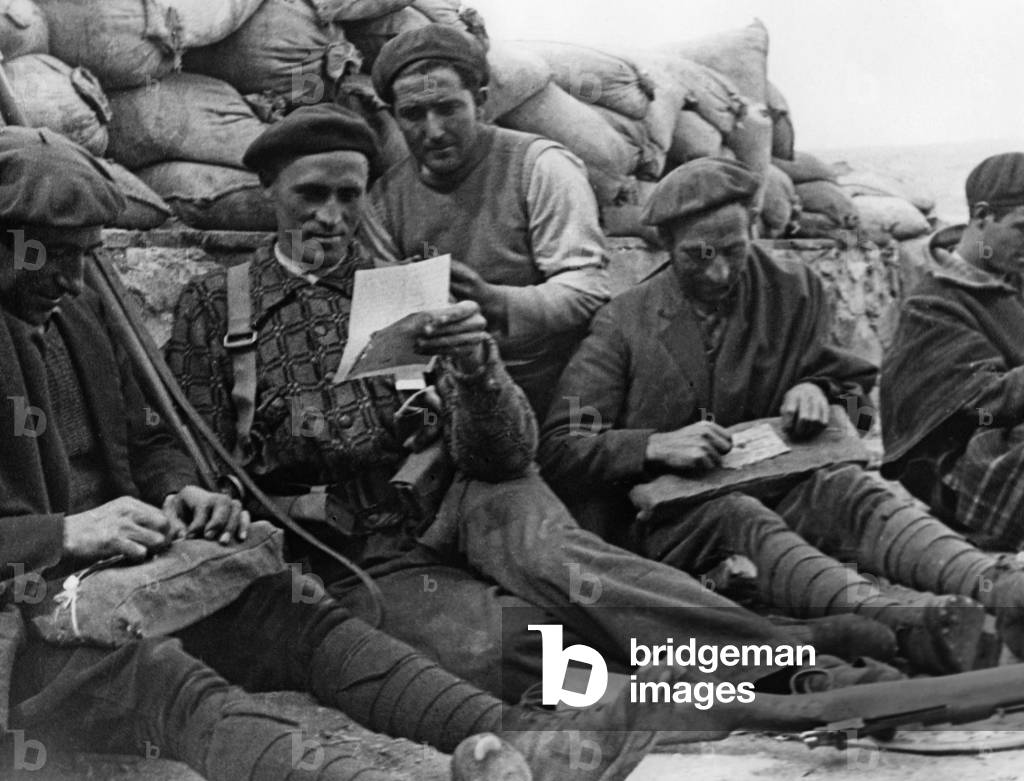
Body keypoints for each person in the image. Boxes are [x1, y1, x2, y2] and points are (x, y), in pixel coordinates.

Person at [0, 124, 679, 781]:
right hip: (32, 605)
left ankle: (520, 740)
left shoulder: (79, 318)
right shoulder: (218, 303)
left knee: (292, 611)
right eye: (56, 254)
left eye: (86, 253)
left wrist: (182, 489)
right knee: (163, 679)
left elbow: (149, 439)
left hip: (153, 573)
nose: (75, 276)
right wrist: (62, 531)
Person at [166, 105, 901, 708]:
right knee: (512, 644)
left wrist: (480, 371)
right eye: (311, 195)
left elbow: (507, 453)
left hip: (460, 497)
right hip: (340, 547)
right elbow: (179, 450)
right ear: (271, 193)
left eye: (350, 196)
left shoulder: (403, 290)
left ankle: (781, 655)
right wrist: (207, 495)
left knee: (577, 567)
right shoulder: (218, 306)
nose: (331, 217)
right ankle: (752, 686)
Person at [540, 157, 1024, 672]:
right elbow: (561, 445)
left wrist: (819, 391)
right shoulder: (624, 323)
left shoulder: (793, 290)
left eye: (733, 250)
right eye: (697, 257)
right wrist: (653, 446)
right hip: (674, 521)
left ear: (754, 229)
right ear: (666, 246)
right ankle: (911, 624)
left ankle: (999, 585)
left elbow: (862, 405)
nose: (720, 272)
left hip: (784, 485)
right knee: (741, 519)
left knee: (848, 490)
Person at [368, 24, 610, 416]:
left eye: (448, 108)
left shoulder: (541, 166)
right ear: (394, 117)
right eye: (413, 114)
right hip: (452, 392)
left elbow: (588, 288)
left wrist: (494, 300)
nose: (433, 131)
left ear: (480, 102)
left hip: (554, 379)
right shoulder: (382, 201)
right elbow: (392, 341)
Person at [882, 152, 1024, 558]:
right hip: (956, 463)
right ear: (982, 216)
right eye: (1022, 229)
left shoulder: (1013, 275)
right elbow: (980, 402)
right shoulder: (932, 303)